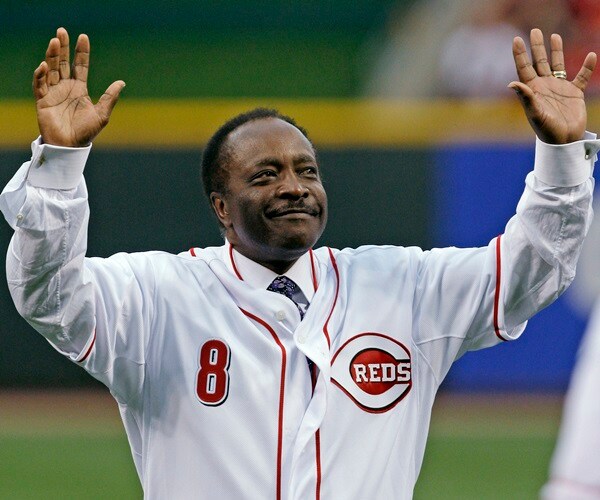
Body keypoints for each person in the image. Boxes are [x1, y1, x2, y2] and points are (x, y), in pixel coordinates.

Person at [0, 27, 598, 499]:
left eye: (306, 171)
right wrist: (60, 166)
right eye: (265, 175)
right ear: (221, 207)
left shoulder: (403, 287)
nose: (293, 187)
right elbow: (50, 294)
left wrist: (563, 155)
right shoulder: (158, 296)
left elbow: (530, 271)